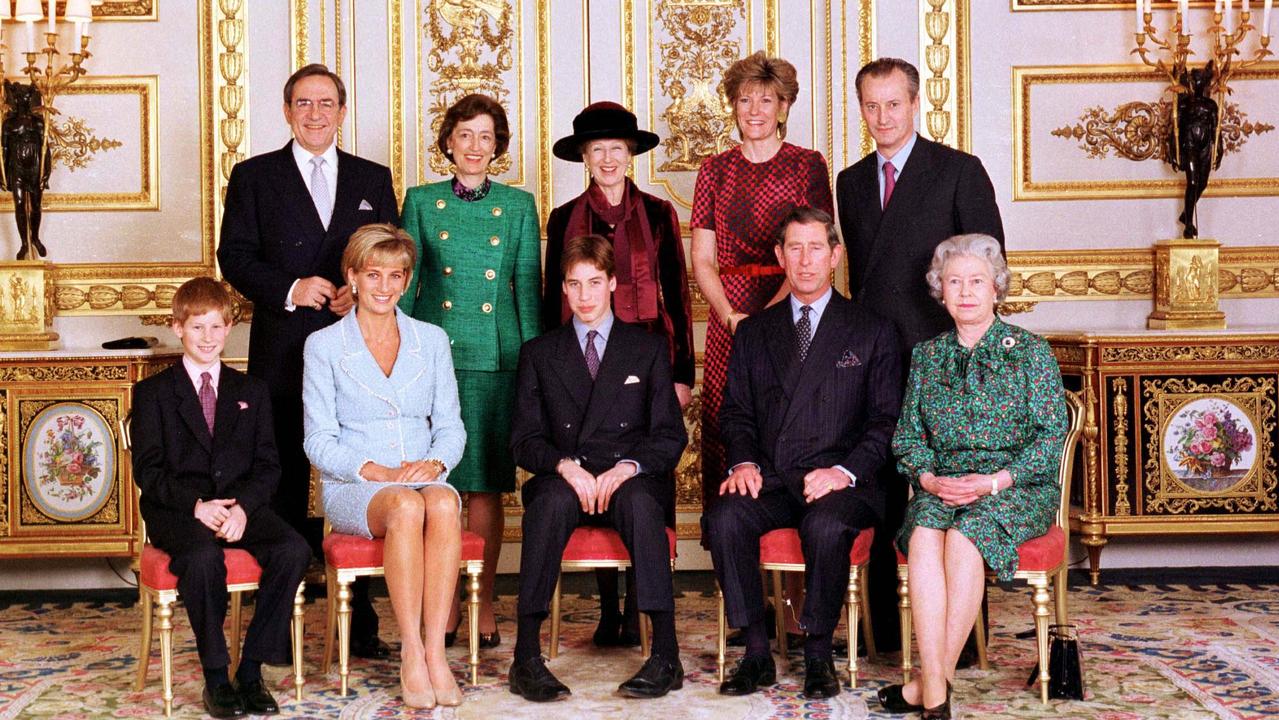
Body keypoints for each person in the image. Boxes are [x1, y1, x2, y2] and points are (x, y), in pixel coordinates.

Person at [218, 63, 398, 660]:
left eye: (326, 103)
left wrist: (359, 288)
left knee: (359, 475)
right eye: (303, 103)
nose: (315, 113)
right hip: (284, 352)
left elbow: (388, 253)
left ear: (342, 112)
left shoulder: (374, 176)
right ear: (287, 111)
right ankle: (282, 629)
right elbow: (235, 256)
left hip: (358, 349)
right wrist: (292, 287)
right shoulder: (254, 177)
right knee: (285, 485)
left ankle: (363, 626)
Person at [835, 57, 1003, 651]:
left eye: (893, 104)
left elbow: (986, 270)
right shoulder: (850, 181)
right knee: (877, 483)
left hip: (946, 361)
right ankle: (881, 631)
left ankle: (962, 637)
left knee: (954, 490)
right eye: (871, 106)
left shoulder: (958, 170)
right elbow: (858, 281)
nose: (882, 117)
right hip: (873, 358)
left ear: (916, 104)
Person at [706, 207, 901, 700]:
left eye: (817, 248)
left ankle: (817, 652)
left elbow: (886, 421)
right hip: (771, 476)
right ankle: (754, 652)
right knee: (726, 516)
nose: (806, 260)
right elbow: (736, 413)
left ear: (835, 256)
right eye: (795, 248)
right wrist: (743, 462)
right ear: (779, 256)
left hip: (842, 483)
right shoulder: (754, 331)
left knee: (826, 525)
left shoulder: (871, 329)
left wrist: (843, 471)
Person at [879, 234, 1067, 720]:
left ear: (996, 288)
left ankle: (928, 688)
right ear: (940, 289)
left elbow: (1050, 439)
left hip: (1015, 487)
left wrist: (995, 481)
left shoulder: (1030, 352)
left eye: (977, 281)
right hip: (942, 483)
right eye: (954, 281)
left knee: (966, 538)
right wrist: (926, 479)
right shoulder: (927, 356)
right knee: (923, 534)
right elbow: (907, 436)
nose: (965, 291)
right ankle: (938, 694)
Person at [508, 234, 688, 702]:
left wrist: (628, 467)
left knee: (645, 506)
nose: (584, 295)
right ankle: (525, 657)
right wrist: (565, 466)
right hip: (567, 477)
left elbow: (670, 435)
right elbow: (523, 441)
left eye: (594, 282)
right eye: (574, 284)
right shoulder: (539, 353)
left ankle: (665, 654)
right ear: (563, 290)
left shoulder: (645, 349)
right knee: (545, 506)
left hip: (627, 478)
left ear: (612, 283)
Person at [545, 100, 694, 648]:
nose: (607, 159)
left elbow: (676, 295)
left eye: (617, 149)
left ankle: (641, 606)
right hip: (582, 368)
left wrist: (681, 375)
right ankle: (609, 607)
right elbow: (550, 300)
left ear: (630, 155)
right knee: (592, 472)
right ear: (584, 157)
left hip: (649, 369)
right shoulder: (564, 219)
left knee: (644, 482)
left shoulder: (658, 214)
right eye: (596, 150)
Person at [303, 224, 467, 709]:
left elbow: (452, 428)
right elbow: (317, 439)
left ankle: (437, 651)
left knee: (440, 501)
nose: (384, 287)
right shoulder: (325, 346)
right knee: (404, 507)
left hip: (422, 474)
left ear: (408, 280)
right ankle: (411, 653)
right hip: (356, 485)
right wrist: (372, 469)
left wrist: (435, 462)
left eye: (395, 276)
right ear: (351, 277)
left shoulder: (432, 340)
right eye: (373, 275)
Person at [398, 93, 541, 648]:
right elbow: (406, 289)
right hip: (435, 358)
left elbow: (527, 289)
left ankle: (482, 600)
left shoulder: (519, 205)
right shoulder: (420, 201)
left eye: (486, 137)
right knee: (441, 482)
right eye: (465, 136)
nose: (475, 147)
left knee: (485, 486)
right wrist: (398, 360)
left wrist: (532, 368)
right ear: (448, 143)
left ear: (497, 146)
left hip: (496, 361)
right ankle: (446, 599)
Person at [132, 277, 311, 718]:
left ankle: (250, 671)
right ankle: (216, 675)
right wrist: (197, 506)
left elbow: (269, 465)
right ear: (177, 328)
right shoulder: (153, 393)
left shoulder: (252, 391)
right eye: (197, 328)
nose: (207, 338)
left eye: (216, 328)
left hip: (237, 506)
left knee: (293, 549)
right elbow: (148, 472)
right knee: (203, 559)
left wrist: (245, 509)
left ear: (229, 328)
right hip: (179, 508)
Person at [692, 52, 834, 546]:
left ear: (784, 105)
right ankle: (738, 574)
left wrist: (770, 316)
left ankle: (794, 585)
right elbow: (703, 259)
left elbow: (814, 248)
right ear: (733, 106)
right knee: (726, 426)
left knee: (789, 423)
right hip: (727, 316)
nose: (754, 109)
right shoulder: (714, 170)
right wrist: (732, 316)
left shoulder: (806, 164)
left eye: (766, 99)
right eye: (744, 99)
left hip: (792, 307)